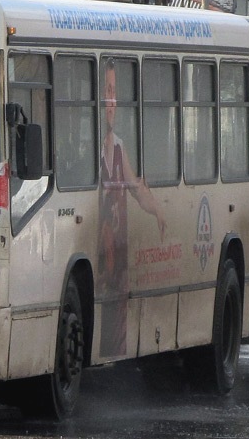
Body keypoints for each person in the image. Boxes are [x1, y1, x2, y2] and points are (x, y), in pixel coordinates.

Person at [97, 59, 167, 358]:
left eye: (114, 93)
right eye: (106, 91)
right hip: (100, 264)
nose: (111, 101)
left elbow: (136, 188)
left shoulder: (117, 146)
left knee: (116, 340)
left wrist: (158, 211)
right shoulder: (86, 147)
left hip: (118, 268)